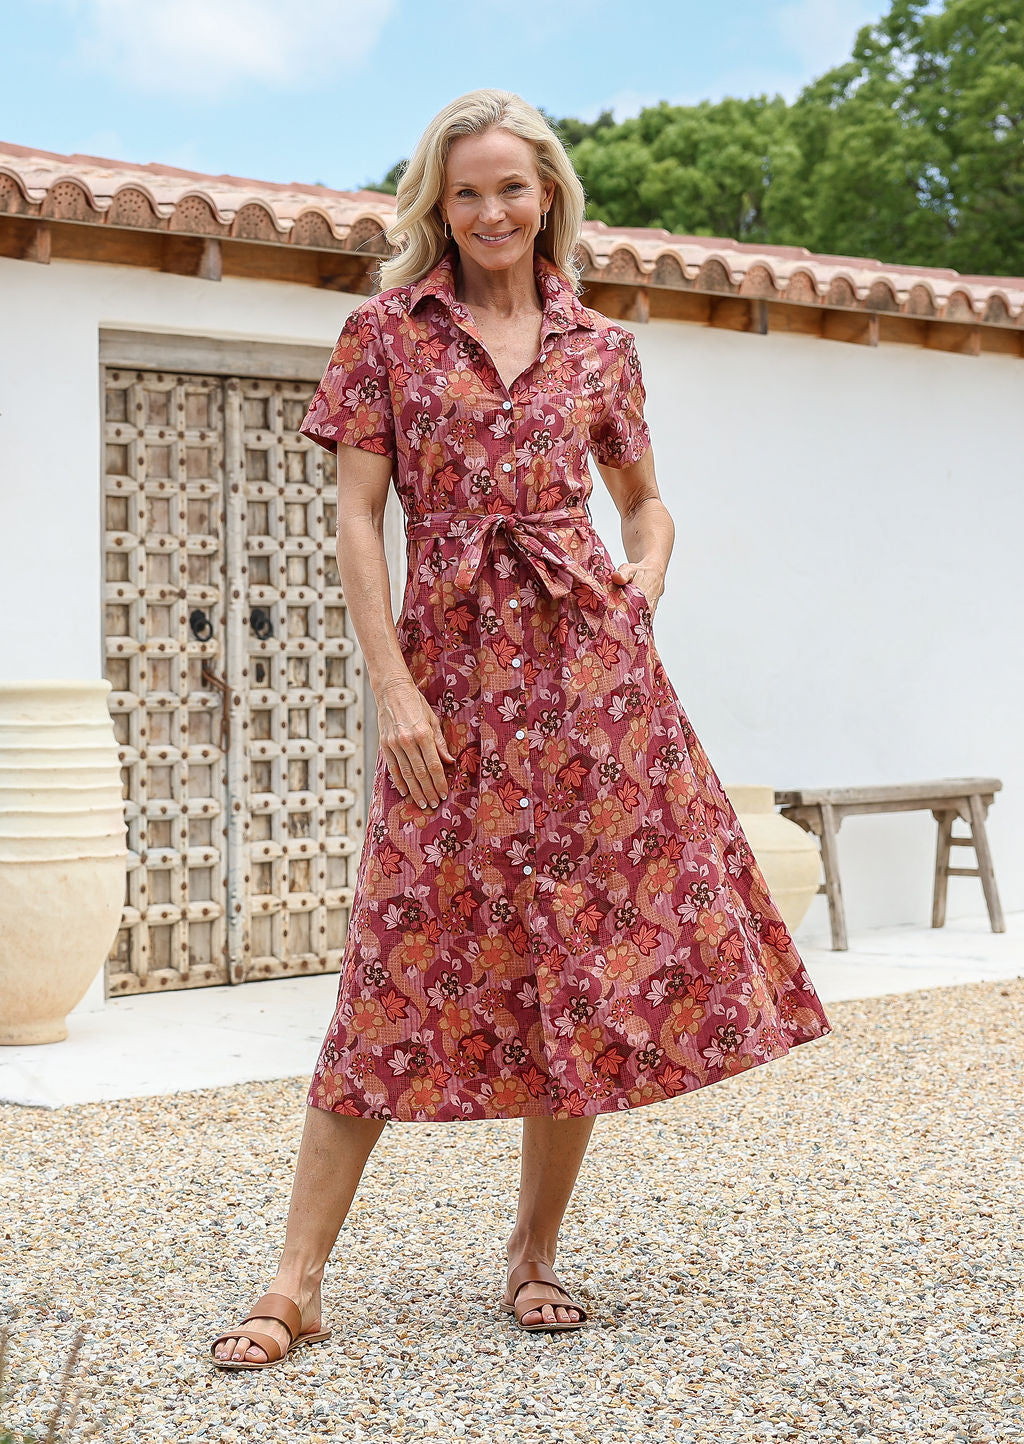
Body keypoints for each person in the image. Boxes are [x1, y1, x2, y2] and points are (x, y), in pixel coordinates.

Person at [210, 88, 833, 1369]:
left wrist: (637, 593)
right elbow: (355, 521)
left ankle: (532, 1255)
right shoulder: (382, 333)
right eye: (466, 191)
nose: (491, 210)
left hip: (590, 694)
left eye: (512, 186)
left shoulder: (600, 347)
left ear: (548, 194)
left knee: (576, 972)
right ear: (437, 205)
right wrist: (394, 690)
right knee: (389, 965)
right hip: (447, 694)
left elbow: (647, 505)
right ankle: (296, 1280)